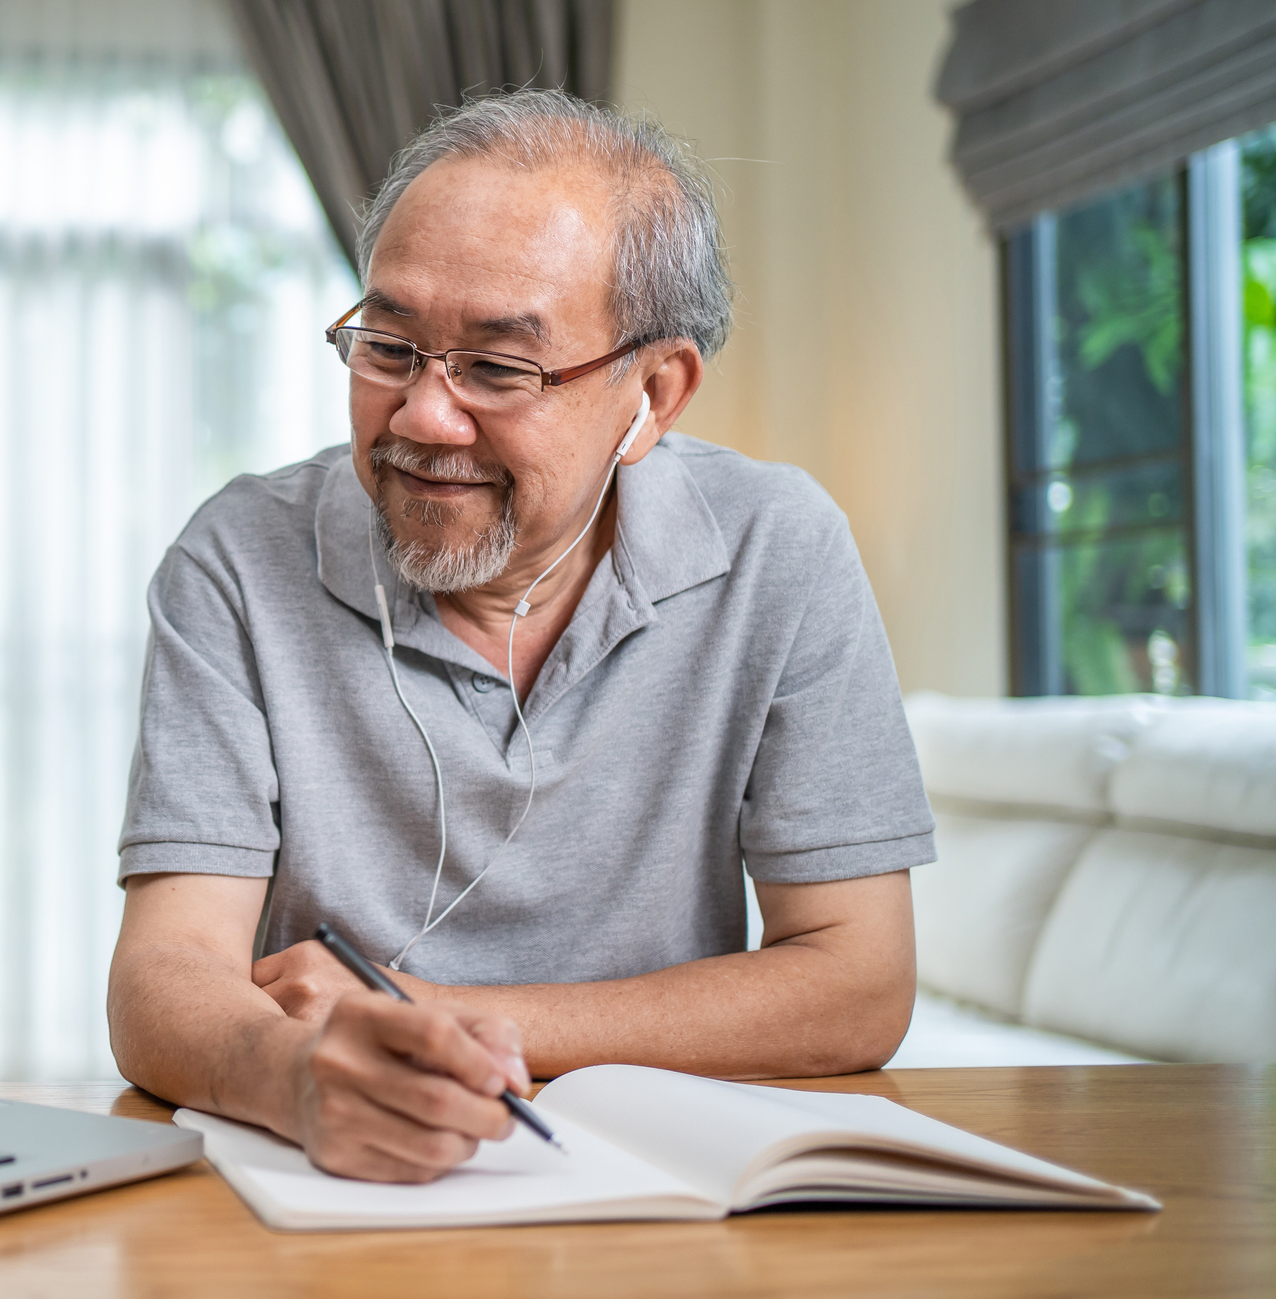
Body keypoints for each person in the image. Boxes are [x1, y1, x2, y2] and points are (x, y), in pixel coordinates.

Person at [105, 89, 934, 1185]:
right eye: (388, 346)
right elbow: (164, 974)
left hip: (660, 1182)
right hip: (331, 1182)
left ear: (652, 393)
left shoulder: (776, 549)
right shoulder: (236, 557)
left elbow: (856, 985)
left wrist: (431, 1018)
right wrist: (295, 1075)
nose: (420, 419)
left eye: (496, 369)